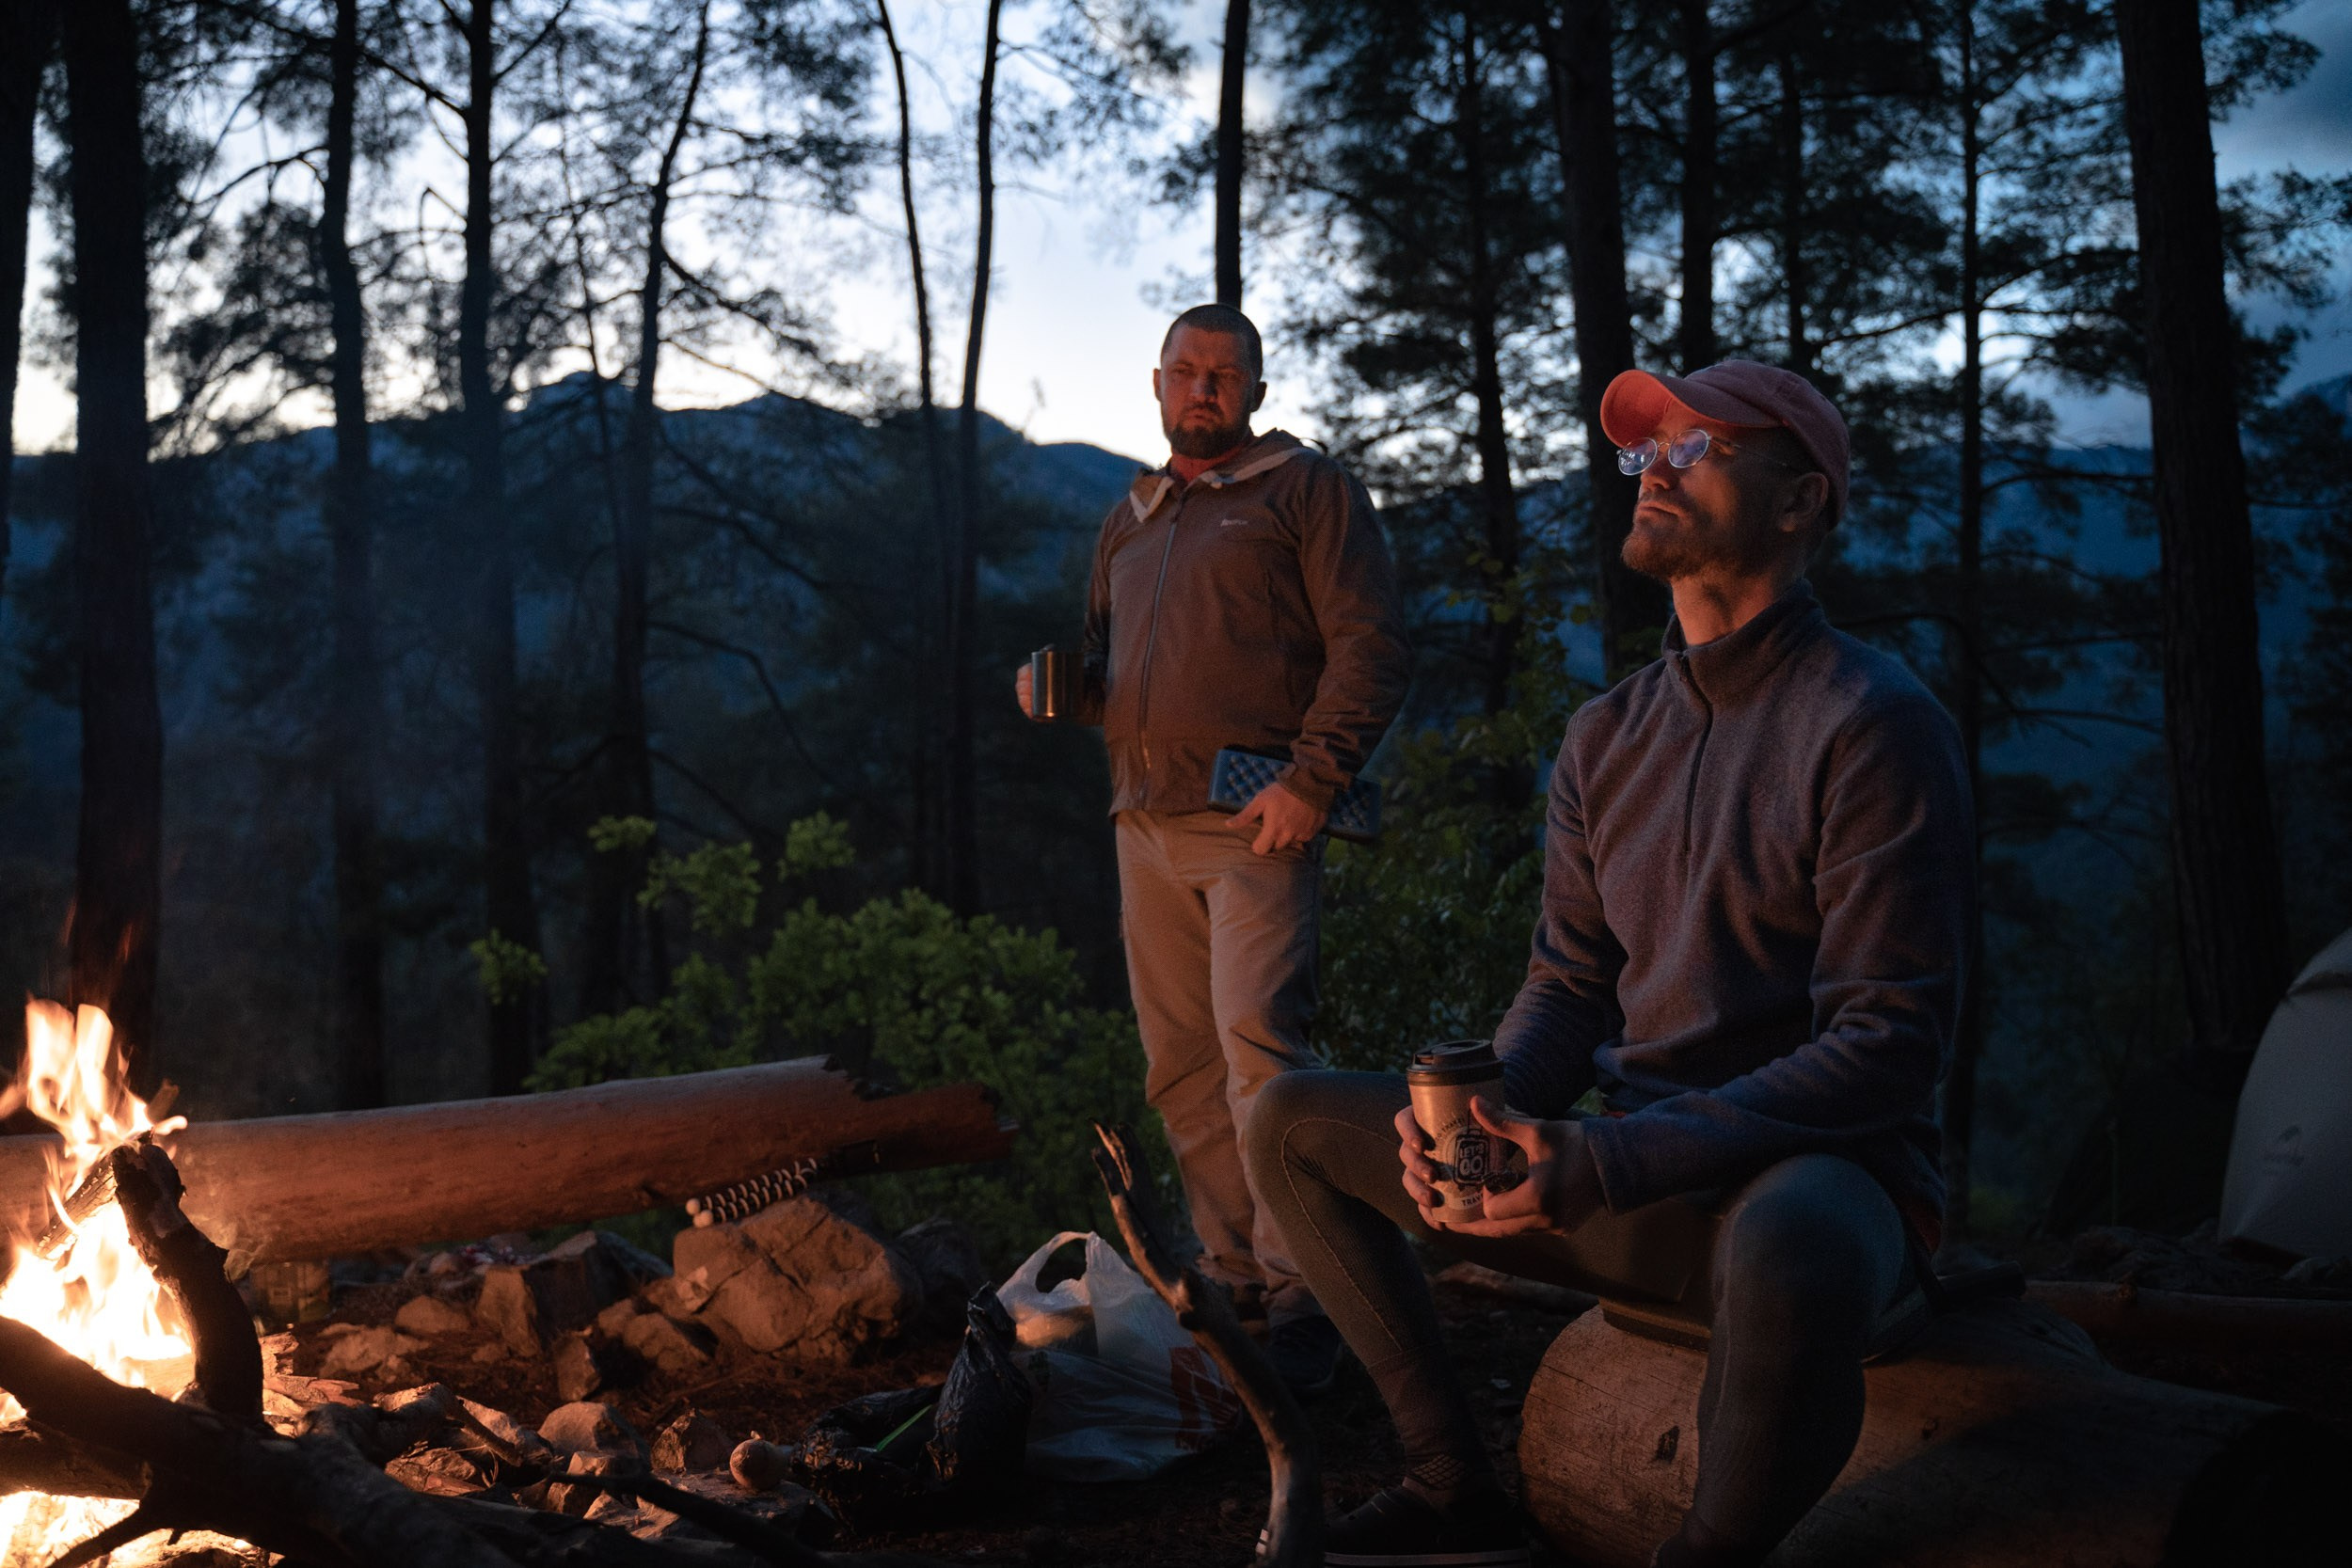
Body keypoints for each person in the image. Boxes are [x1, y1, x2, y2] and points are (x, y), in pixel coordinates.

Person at [1245, 361, 1975, 1568]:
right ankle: (1449, 1485)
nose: (1654, 469)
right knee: (1287, 1119)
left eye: (1699, 448)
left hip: (1817, 1189)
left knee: (1789, 1233)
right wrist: (1484, 1105)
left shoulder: (1870, 721)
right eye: (1648, 452)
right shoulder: (1605, 734)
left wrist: (1614, 1152)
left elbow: (1886, 1042)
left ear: (1798, 504)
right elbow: (1573, 979)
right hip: (1632, 1180)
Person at [1014, 304, 1411, 1393]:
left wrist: (1313, 779)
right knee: (1182, 1070)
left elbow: (1371, 646)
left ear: (1256, 390)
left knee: (1261, 1062)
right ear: (1154, 384)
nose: (1203, 388)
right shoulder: (1134, 515)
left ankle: (1305, 1307)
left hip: (1254, 820)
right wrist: (1067, 694)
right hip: (1141, 823)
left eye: (1224, 374)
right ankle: (1234, 1286)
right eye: (1185, 371)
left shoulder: (1305, 490)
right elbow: (1115, 669)